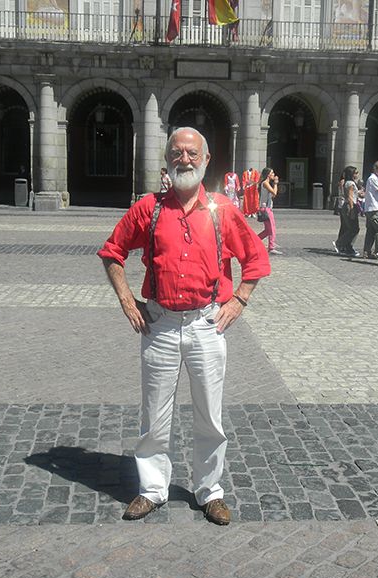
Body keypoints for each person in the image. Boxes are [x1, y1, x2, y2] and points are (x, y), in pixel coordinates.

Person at [98, 127, 271, 526]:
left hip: (206, 324)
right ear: (167, 160)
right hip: (158, 324)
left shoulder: (222, 209)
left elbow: (256, 259)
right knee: (154, 416)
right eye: (177, 153)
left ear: (206, 160)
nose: (185, 160)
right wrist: (127, 299)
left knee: (210, 416)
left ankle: (210, 491)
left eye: (193, 154)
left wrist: (240, 299)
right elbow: (112, 252)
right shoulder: (149, 208)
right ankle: (153, 489)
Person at [333, 166, 363, 256]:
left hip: (348, 206)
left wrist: (359, 193)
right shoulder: (350, 183)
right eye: (356, 173)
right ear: (351, 174)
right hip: (350, 206)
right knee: (354, 228)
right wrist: (352, 210)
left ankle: (348, 247)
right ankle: (341, 243)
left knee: (352, 228)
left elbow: (352, 194)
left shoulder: (349, 183)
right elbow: (350, 197)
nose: (357, 174)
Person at [361, 161, 378, 259]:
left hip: (370, 208)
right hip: (374, 208)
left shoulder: (374, 179)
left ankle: (367, 252)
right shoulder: (373, 179)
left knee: (371, 231)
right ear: (374, 168)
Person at [257, 167, 282, 255]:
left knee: (267, 230)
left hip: (266, 207)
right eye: (272, 173)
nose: (273, 175)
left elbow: (272, 195)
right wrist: (275, 184)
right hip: (266, 208)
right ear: (268, 174)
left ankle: (254, 241)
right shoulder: (265, 183)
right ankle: (271, 247)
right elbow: (274, 193)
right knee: (271, 228)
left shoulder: (266, 183)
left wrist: (274, 186)